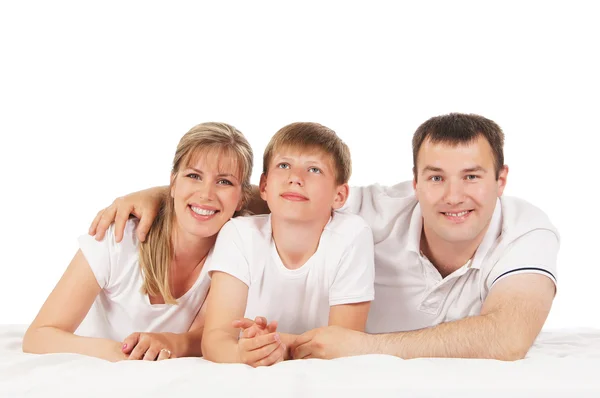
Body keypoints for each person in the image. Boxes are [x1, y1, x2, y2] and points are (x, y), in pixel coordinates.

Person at [89, 113, 560, 361]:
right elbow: (270, 197)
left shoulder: (527, 230)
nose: (453, 196)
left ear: (502, 180)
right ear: (414, 183)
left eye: (473, 177)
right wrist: (160, 193)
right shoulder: (374, 210)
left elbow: (509, 337)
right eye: (435, 177)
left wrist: (363, 348)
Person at [22, 122, 254, 362]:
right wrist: (122, 353)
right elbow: (38, 336)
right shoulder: (118, 238)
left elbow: (282, 197)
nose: (206, 193)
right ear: (173, 183)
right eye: (194, 176)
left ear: (242, 198)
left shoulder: (238, 246)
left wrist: (169, 344)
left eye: (224, 181)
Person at [199, 122, 374, 367]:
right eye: (284, 165)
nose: (295, 178)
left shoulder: (352, 235)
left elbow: (344, 345)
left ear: (340, 196)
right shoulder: (239, 234)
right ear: (264, 186)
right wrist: (242, 354)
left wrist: (276, 344)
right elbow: (215, 340)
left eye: (314, 169)